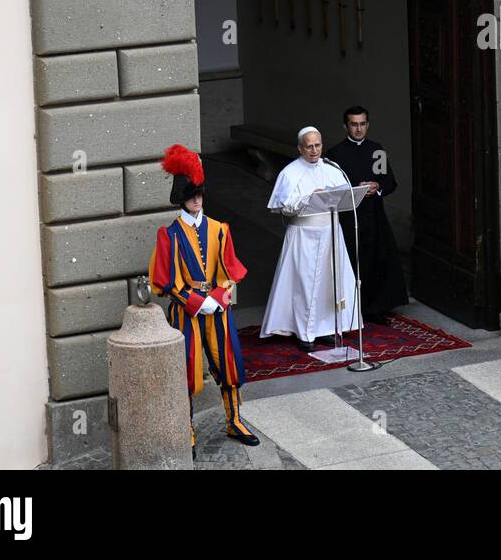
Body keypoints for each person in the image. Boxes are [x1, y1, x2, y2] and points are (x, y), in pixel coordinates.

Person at [148, 144, 260, 454]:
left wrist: (219, 296)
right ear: (182, 197)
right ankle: (187, 430)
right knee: (186, 371)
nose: (197, 198)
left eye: (200, 193)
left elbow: (231, 271)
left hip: (218, 308)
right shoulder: (168, 235)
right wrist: (197, 302)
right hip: (186, 313)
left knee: (228, 364)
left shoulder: (220, 230)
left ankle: (234, 420)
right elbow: (165, 282)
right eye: (191, 194)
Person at [260, 126, 360, 351]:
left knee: (329, 284)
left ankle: (325, 329)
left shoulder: (333, 169)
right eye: (309, 146)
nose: (314, 150)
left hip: (330, 233)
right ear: (300, 148)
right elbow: (285, 208)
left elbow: (344, 196)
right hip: (304, 235)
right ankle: (304, 332)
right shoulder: (290, 173)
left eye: (318, 145)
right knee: (303, 285)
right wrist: (309, 197)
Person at [325, 105, 409, 324]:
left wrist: (377, 186)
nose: (359, 129)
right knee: (352, 261)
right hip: (349, 217)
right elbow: (332, 187)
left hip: (374, 216)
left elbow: (389, 181)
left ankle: (374, 308)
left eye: (362, 124)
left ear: (368, 125)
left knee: (376, 260)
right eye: (354, 124)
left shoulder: (377, 150)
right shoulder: (335, 154)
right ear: (346, 126)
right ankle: (351, 309)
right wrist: (356, 188)